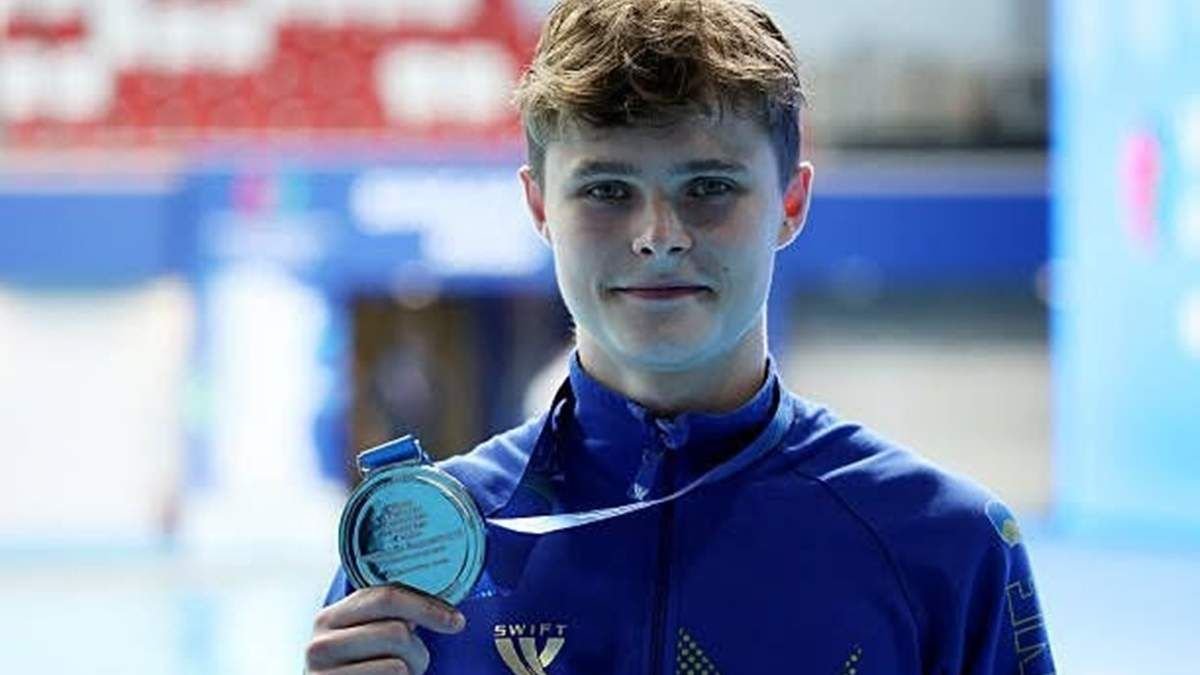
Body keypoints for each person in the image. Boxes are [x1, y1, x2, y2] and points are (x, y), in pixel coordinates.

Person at [305, 0, 1057, 673]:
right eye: (606, 190)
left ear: (791, 202)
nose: (658, 235)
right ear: (539, 208)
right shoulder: (416, 559)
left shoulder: (946, 548)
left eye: (709, 188)